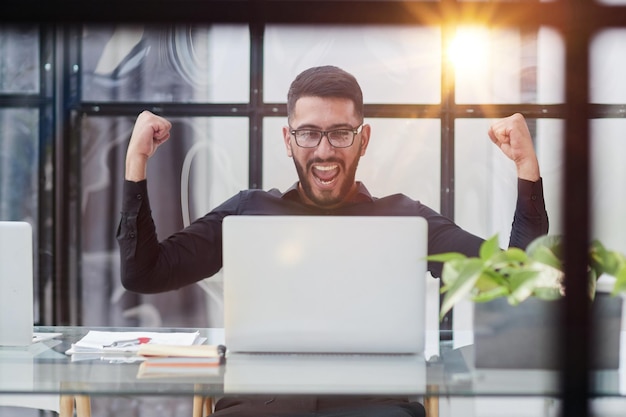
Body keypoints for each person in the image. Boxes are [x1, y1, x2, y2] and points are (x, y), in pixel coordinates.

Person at [117, 65, 549, 416]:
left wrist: (526, 167)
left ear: (363, 140)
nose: (324, 150)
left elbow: (513, 279)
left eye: (341, 133)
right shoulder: (246, 213)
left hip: (374, 408)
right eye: (308, 133)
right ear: (289, 140)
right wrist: (137, 162)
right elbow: (145, 273)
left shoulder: (406, 219)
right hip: (261, 409)